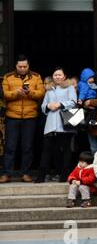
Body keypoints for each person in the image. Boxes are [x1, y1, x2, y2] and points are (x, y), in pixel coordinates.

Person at [0, 55, 45, 183]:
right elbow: (5, 94)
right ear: (16, 66)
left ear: (28, 66)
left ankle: (25, 173)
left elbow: (41, 93)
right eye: (20, 66)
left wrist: (29, 92)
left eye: (25, 66)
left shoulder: (36, 77)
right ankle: (7, 174)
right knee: (10, 146)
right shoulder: (8, 77)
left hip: (30, 116)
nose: (22, 68)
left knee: (28, 147)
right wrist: (16, 93)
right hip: (12, 116)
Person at [34, 67, 77, 183]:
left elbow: (73, 102)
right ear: (53, 77)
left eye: (59, 75)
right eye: (55, 75)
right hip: (51, 124)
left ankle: (64, 175)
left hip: (65, 124)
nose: (57, 77)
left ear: (64, 76)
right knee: (47, 150)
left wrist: (60, 104)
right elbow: (43, 106)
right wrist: (48, 106)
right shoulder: (49, 90)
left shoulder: (70, 88)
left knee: (66, 150)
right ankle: (41, 176)